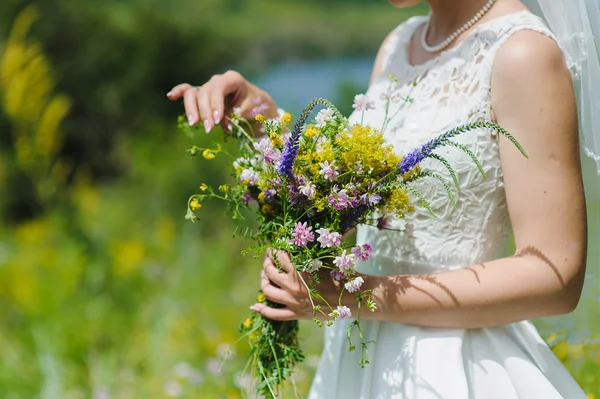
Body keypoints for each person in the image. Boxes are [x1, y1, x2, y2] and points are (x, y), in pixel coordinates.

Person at [168, 0, 597, 397]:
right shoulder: (402, 42)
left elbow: (555, 277)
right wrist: (267, 126)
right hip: (360, 361)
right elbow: (360, 202)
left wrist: (350, 297)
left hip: (453, 365)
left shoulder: (523, 54)